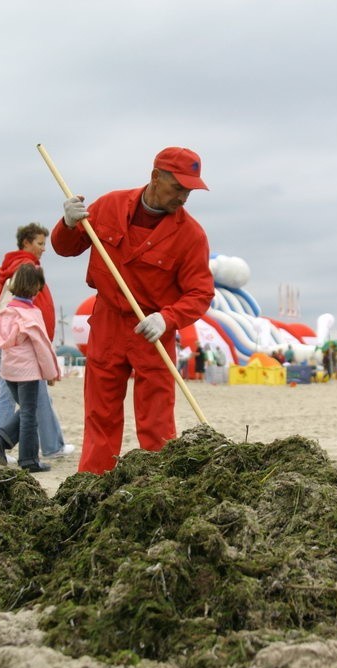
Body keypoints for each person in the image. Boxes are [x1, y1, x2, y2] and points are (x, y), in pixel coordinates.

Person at [51, 146, 214, 474]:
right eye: (178, 187)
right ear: (155, 177)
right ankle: (93, 483)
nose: (184, 197)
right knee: (101, 416)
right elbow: (65, 248)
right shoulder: (109, 205)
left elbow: (200, 292)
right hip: (108, 322)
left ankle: (157, 486)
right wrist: (67, 224)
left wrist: (167, 318)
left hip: (152, 330)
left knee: (157, 423)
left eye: (190, 190)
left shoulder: (191, 235)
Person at [0, 223, 74, 465]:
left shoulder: (16, 267)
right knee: (23, 402)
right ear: (26, 243)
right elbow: (23, 311)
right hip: (24, 350)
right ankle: (0, 447)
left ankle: (52, 445)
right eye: (40, 243)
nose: (44, 249)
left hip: (13, 347)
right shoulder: (25, 269)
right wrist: (49, 365)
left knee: (33, 400)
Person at [0, 264, 62, 473]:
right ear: (35, 286)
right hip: (27, 372)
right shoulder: (31, 314)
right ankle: (28, 460)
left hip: (9, 371)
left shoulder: (6, 311)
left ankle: (1, 440)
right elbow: (42, 346)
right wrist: (51, 373)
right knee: (30, 415)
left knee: (28, 410)